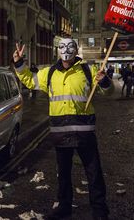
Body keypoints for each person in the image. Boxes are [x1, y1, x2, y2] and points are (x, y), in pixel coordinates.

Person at [12, 37, 112, 220]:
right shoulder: (49, 73)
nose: (66, 53)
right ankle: (64, 206)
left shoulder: (89, 70)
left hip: (84, 131)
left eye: (70, 49)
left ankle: (99, 211)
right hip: (61, 132)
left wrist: (104, 81)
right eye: (63, 49)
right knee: (63, 174)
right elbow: (29, 79)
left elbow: (108, 90)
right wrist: (18, 63)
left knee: (94, 172)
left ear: (75, 51)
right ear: (59, 51)